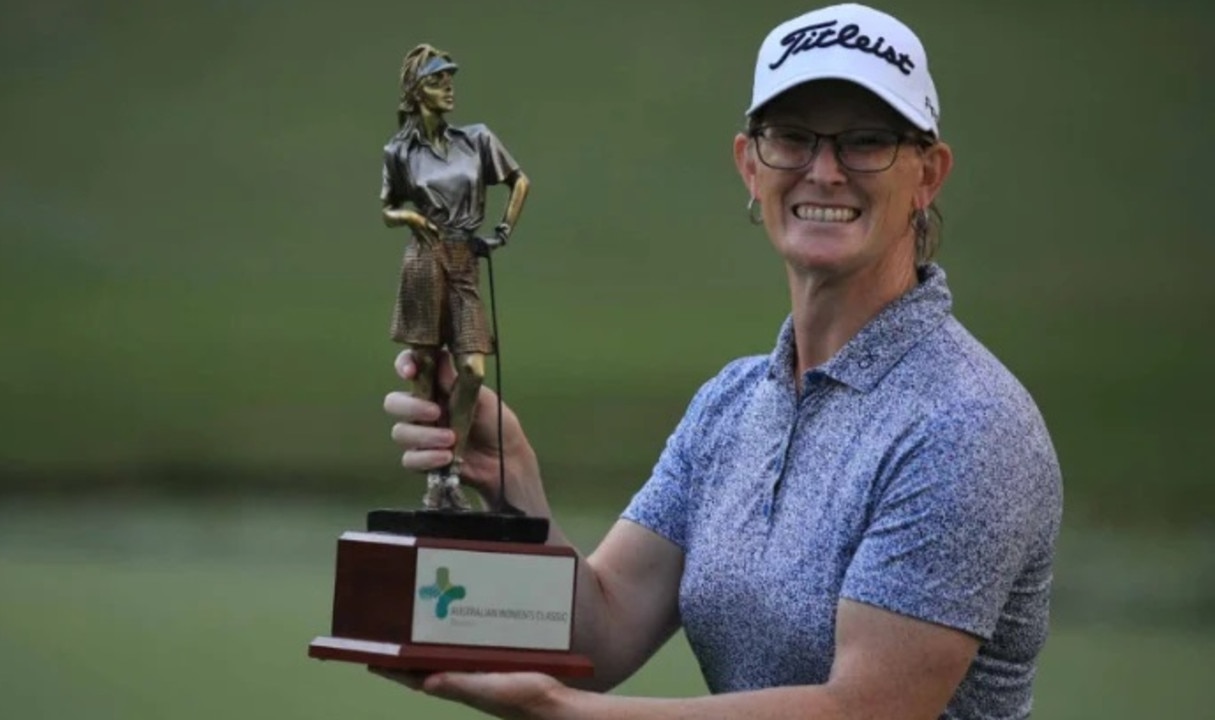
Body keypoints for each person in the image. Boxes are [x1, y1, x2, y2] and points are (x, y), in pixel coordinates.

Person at [381, 4, 1063, 719]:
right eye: (791, 140)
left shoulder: (965, 426)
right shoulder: (734, 403)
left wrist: (560, 712)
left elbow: (865, 710)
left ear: (927, 174)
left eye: (867, 141)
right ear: (748, 164)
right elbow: (603, 630)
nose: (824, 172)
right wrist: (513, 480)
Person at [380, 43, 530, 511]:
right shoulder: (399, 151)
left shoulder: (476, 139)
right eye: (436, 80)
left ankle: (455, 462)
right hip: (425, 259)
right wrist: (409, 218)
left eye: (450, 79)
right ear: (415, 91)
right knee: (424, 365)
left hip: (465, 256)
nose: (448, 88)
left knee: (471, 368)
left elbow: (520, 181)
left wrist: (502, 231)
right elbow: (386, 207)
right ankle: (438, 485)